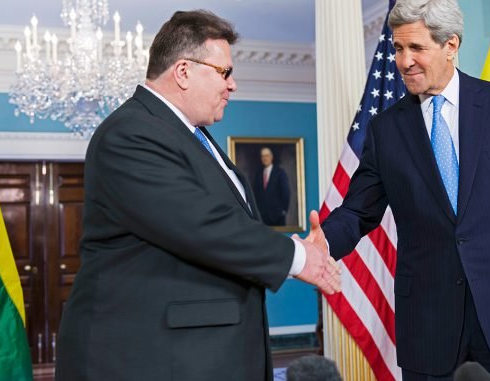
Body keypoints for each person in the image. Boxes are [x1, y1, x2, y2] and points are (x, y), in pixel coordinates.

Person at [55, 10, 339, 381]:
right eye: (224, 72)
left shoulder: (189, 135)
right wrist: (299, 256)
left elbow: (225, 225)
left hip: (201, 354)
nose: (232, 85)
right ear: (184, 71)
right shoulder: (130, 133)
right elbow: (199, 224)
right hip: (154, 360)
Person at [307, 0, 490, 379]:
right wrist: (323, 243)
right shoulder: (385, 130)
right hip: (429, 322)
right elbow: (358, 211)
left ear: (451, 45)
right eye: (398, 48)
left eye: (416, 48)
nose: (404, 61)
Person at [254, 147, 291, 226]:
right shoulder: (258, 174)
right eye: (263, 156)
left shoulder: (280, 172)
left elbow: (286, 192)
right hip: (262, 218)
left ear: (271, 157)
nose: (265, 158)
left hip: (277, 216)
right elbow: (255, 194)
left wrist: (283, 211)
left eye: (267, 156)